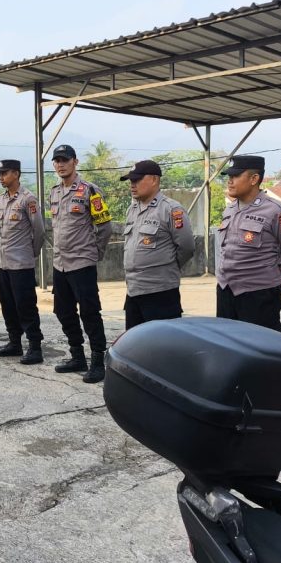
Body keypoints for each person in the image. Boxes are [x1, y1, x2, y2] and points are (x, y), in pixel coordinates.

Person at [216, 154, 281, 332]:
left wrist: (269, 271)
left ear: (254, 179)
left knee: (260, 346)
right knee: (228, 342)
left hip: (258, 293)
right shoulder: (230, 209)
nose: (230, 181)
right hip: (226, 290)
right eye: (229, 177)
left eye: (235, 176)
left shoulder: (276, 210)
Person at [48, 144, 113, 383]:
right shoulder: (54, 192)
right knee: (62, 311)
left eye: (65, 160)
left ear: (75, 162)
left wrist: (94, 252)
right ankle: (77, 355)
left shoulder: (89, 191)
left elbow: (104, 227)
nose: (60, 164)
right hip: (60, 263)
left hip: (82, 262)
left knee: (89, 312)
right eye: (56, 161)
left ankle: (98, 360)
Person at [120, 160, 195, 329]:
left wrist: (166, 269)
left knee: (164, 344)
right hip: (134, 290)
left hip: (160, 292)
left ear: (154, 180)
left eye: (137, 180)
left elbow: (187, 247)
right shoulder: (132, 209)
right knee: (135, 344)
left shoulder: (171, 209)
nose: (132, 185)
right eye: (131, 181)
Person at [0, 159, 45, 364]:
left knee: (25, 305)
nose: (1, 177)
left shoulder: (28, 199)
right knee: (7, 304)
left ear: (16, 173)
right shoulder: (1, 200)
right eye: (0, 173)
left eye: (4, 173)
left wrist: (30, 254)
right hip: (4, 263)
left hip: (21, 263)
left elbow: (39, 231)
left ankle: (35, 346)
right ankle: (14, 342)